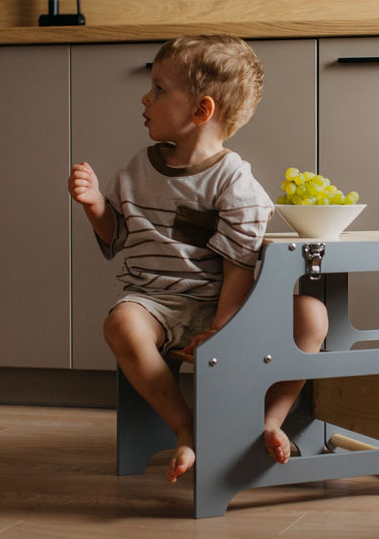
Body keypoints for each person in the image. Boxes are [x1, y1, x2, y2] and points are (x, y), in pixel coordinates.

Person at [68, 34, 328, 483]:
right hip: (154, 303)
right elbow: (118, 237)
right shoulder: (138, 168)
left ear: (201, 111)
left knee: (312, 315)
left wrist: (223, 327)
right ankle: (186, 429)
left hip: (224, 304)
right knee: (121, 323)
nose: (145, 98)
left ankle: (269, 422)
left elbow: (239, 266)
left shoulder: (236, 184)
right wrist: (94, 206)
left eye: (159, 89)